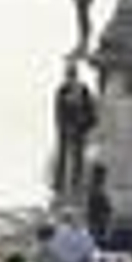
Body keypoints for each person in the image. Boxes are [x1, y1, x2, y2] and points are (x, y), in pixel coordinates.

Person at [53, 64, 97, 202]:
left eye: (72, 75)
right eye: (69, 75)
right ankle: (60, 185)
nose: (70, 78)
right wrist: (64, 127)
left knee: (78, 158)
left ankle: (75, 184)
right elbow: (58, 112)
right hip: (66, 129)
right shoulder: (62, 90)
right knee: (63, 157)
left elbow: (91, 111)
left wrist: (84, 124)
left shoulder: (83, 90)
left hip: (79, 129)